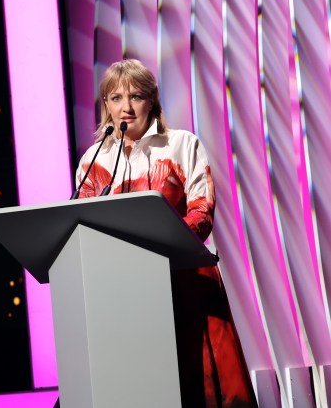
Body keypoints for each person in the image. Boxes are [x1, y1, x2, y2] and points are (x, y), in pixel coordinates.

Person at [73, 58, 257, 407]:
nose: (125, 108)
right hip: (123, 289)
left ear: (152, 101)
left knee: (195, 383)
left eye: (136, 97)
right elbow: (83, 221)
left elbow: (202, 212)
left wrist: (156, 249)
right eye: (115, 98)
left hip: (184, 279)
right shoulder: (93, 160)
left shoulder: (182, 144)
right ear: (105, 106)